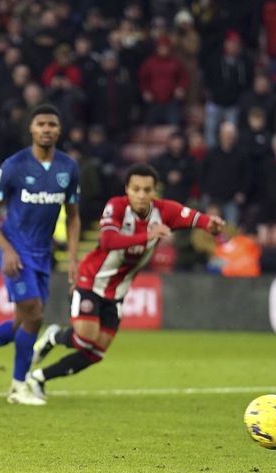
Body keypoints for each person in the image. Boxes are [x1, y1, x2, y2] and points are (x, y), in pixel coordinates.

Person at [26, 164, 224, 402]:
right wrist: (147, 235)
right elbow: (108, 240)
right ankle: (54, 337)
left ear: (154, 192)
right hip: (90, 280)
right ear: (127, 189)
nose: (141, 195)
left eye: (147, 190)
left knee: (95, 352)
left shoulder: (164, 212)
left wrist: (209, 224)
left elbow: (192, 217)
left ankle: (38, 378)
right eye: (136, 189)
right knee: (85, 339)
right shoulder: (116, 206)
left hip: (117, 292)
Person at [0, 104, 80, 406]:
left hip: (42, 252)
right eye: (41, 124)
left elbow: (73, 216)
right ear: (32, 129)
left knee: (20, 324)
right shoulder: (14, 165)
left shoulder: (68, 168)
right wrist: (6, 249)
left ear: (59, 130)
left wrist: (73, 259)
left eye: (52, 124)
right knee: (35, 315)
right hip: (14, 249)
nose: (47, 129)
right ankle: (18, 387)